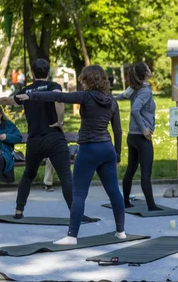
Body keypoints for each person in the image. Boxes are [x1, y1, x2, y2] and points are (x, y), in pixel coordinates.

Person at [16, 65, 124, 245]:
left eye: (83, 79)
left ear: (89, 80)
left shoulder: (86, 97)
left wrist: (32, 95)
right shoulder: (112, 101)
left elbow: (59, 96)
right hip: (107, 148)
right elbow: (118, 130)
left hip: (89, 149)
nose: (81, 83)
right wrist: (118, 154)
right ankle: (121, 232)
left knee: (79, 193)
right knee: (114, 191)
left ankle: (72, 236)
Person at [0, 59, 74, 218]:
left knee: (28, 175)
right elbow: (58, 99)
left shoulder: (27, 90)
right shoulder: (53, 87)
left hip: (34, 140)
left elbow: (7, 100)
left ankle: (18, 211)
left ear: (32, 73)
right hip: (54, 138)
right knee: (65, 174)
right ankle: (76, 213)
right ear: (48, 72)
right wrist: (60, 121)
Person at [115, 62, 159, 210]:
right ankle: (151, 206)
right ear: (146, 73)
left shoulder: (134, 88)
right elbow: (135, 110)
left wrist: (110, 97)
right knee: (146, 173)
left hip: (132, 137)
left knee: (131, 170)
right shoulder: (145, 91)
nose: (150, 69)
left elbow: (122, 96)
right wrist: (145, 129)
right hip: (141, 137)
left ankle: (126, 202)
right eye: (148, 67)